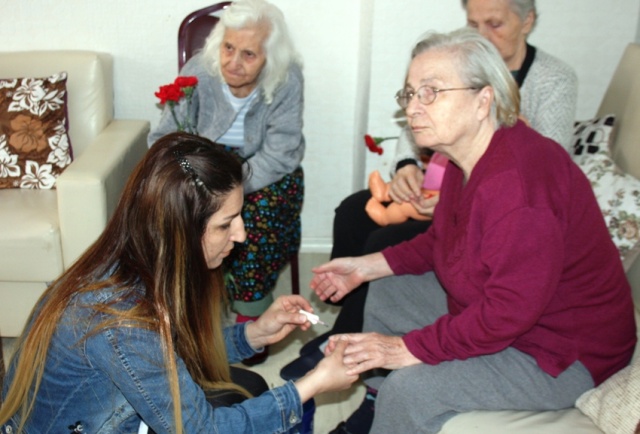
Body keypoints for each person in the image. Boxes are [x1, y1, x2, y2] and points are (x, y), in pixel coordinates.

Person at [310, 28, 636, 434]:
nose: (413, 107)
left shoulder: (519, 186)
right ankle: (377, 408)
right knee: (390, 291)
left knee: (413, 389)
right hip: (515, 315)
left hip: (564, 353)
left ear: (484, 100)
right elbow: (443, 241)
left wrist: (406, 349)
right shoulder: (465, 159)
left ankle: (393, 407)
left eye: (431, 91)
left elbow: (506, 314)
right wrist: (365, 267)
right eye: (409, 94)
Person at [280, 0, 579, 380]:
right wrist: (407, 168)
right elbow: (418, 136)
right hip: (447, 187)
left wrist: (404, 348)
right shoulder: (458, 142)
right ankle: (352, 334)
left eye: (494, 24)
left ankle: (354, 342)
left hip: (487, 207)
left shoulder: (540, 102)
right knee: (353, 212)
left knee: (381, 240)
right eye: (473, 23)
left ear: (527, 22)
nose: (481, 34)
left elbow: (547, 155)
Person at [0, 133, 357, 433]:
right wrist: (313, 385)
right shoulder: (122, 319)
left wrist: (254, 335)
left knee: (251, 388)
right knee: (255, 401)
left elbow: (166, 354)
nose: (242, 234)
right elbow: (202, 430)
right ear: (180, 232)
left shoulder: (132, 261)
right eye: (225, 223)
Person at [148, 0, 305, 365]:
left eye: (249, 54)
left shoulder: (287, 78)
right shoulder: (200, 71)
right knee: (181, 208)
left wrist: (228, 188)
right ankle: (189, 306)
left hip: (264, 168)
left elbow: (281, 153)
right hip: (205, 162)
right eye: (228, 47)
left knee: (255, 217)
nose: (233, 62)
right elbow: (164, 139)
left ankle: (252, 315)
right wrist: (194, 175)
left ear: (271, 57)